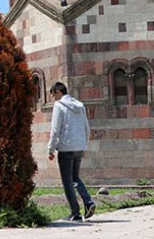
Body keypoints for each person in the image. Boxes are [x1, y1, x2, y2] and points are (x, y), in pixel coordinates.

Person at [47, 82, 96, 222]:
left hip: (66, 148)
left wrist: (50, 149)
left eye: (52, 94)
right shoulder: (80, 106)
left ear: (58, 91)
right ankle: (88, 202)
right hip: (79, 147)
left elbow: (55, 129)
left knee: (67, 181)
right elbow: (87, 127)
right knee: (75, 178)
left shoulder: (59, 106)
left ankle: (75, 213)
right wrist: (84, 146)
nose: (53, 98)